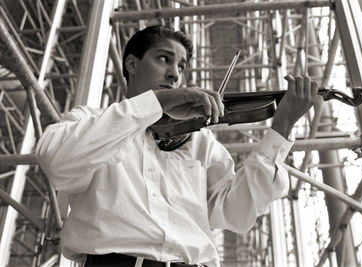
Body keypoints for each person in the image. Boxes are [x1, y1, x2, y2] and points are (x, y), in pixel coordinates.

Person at [36, 25, 320, 267]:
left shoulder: (199, 141)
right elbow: (56, 161)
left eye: (181, 66)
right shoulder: (91, 120)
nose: (174, 74)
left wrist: (281, 129)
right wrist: (154, 104)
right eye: (164, 59)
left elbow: (235, 212)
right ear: (132, 64)